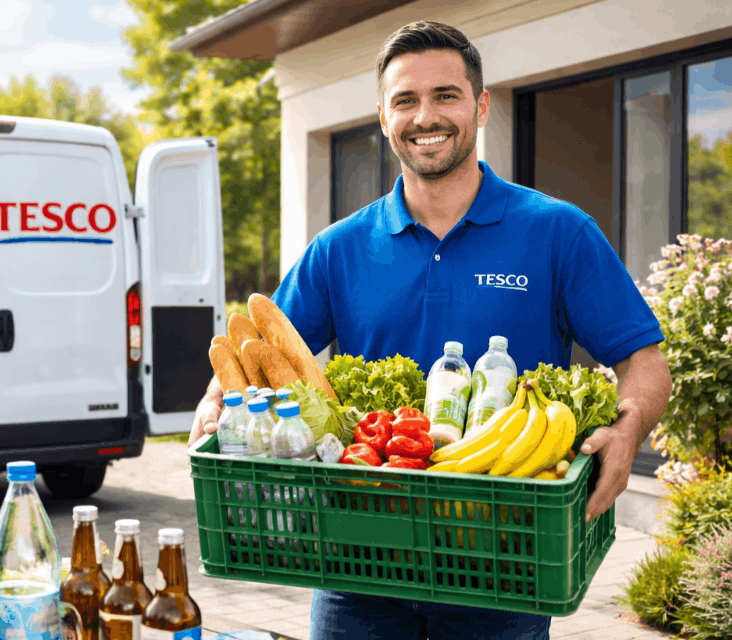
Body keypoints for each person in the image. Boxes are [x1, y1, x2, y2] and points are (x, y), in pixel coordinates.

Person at [188, 20, 673, 640]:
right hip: (356, 566)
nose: (426, 117)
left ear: (481, 104)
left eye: (446, 95)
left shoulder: (558, 232)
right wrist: (213, 407)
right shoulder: (339, 249)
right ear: (384, 118)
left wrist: (629, 429)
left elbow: (645, 362)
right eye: (405, 101)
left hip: (504, 566)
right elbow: (254, 359)